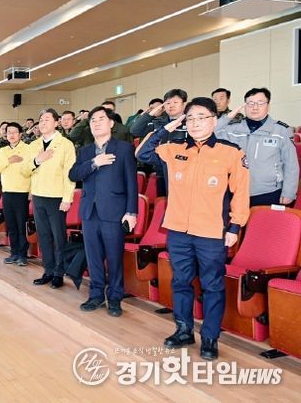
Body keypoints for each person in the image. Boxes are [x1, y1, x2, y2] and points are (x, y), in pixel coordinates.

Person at [137, 97, 250, 360]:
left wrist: (234, 227)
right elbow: (141, 154)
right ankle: (184, 330)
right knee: (180, 281)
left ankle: (210, 337)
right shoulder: (174, 148)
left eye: (202, 117)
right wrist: (165, 128)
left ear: (214, 120)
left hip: (212, 232)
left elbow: (241, 193)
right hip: (178, 231)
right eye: (190, 118)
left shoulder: (231, 152)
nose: (196, 123)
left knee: (212, 285)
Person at [69, 107, 138, 317]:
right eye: (93, 120)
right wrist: (94, 163)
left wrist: (131, 212)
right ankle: (96, 294)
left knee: (114, 257)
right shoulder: (85, 151)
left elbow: (131, 182)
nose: (96, 123)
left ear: (111, 123)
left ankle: (115, 297)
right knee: (93, 257)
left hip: (114, 212)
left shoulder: (124, 148)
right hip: (90, 212)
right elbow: (73, 174)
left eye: (101, 119)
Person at [21, 108, 76, 289]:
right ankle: (48, 270)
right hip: (38, 196)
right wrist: (37, 160)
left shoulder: (66, 144)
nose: (43, 123)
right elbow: (24, 170)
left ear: (56, 122)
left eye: (47, 119)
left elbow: (69, 174)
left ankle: (59, 272)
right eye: (41, 120)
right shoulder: (33, 145)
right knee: (44, 236)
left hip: (57, 197)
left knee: (58, 237)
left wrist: (67, 198)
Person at [216, 87, 298, 206]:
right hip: (236, 191)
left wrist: (289, 192)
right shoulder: (232, 128)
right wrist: (227, 118)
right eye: (250, 103)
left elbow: (291, 164)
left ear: (268, 106)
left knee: (264, 219)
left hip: (269, 192)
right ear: (245, 106)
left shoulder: (281, 131)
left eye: (260, 103)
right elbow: (210, 133)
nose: (255, 107)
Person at [131, 89, 189, 197]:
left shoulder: (191, 123)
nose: (171, 105)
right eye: (168, 103)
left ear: (184, 104)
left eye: (175, 102)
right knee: (163, 202)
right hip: (161, 171)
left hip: (184, 172)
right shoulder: (158, 123)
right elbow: (135, 130)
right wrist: (151, 114)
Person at [0, 122, 31, 266]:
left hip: (22, 192)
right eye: (9, 132)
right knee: (11, 225)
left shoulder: (28, 149)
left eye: (15, 132)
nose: (12, 135)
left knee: (21, 225)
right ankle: (14, 253)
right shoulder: (3, 151)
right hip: (7, 192)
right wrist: (9, 160)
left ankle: (23, 255)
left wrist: (31, 192)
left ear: (20, 134)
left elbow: (33, 170)